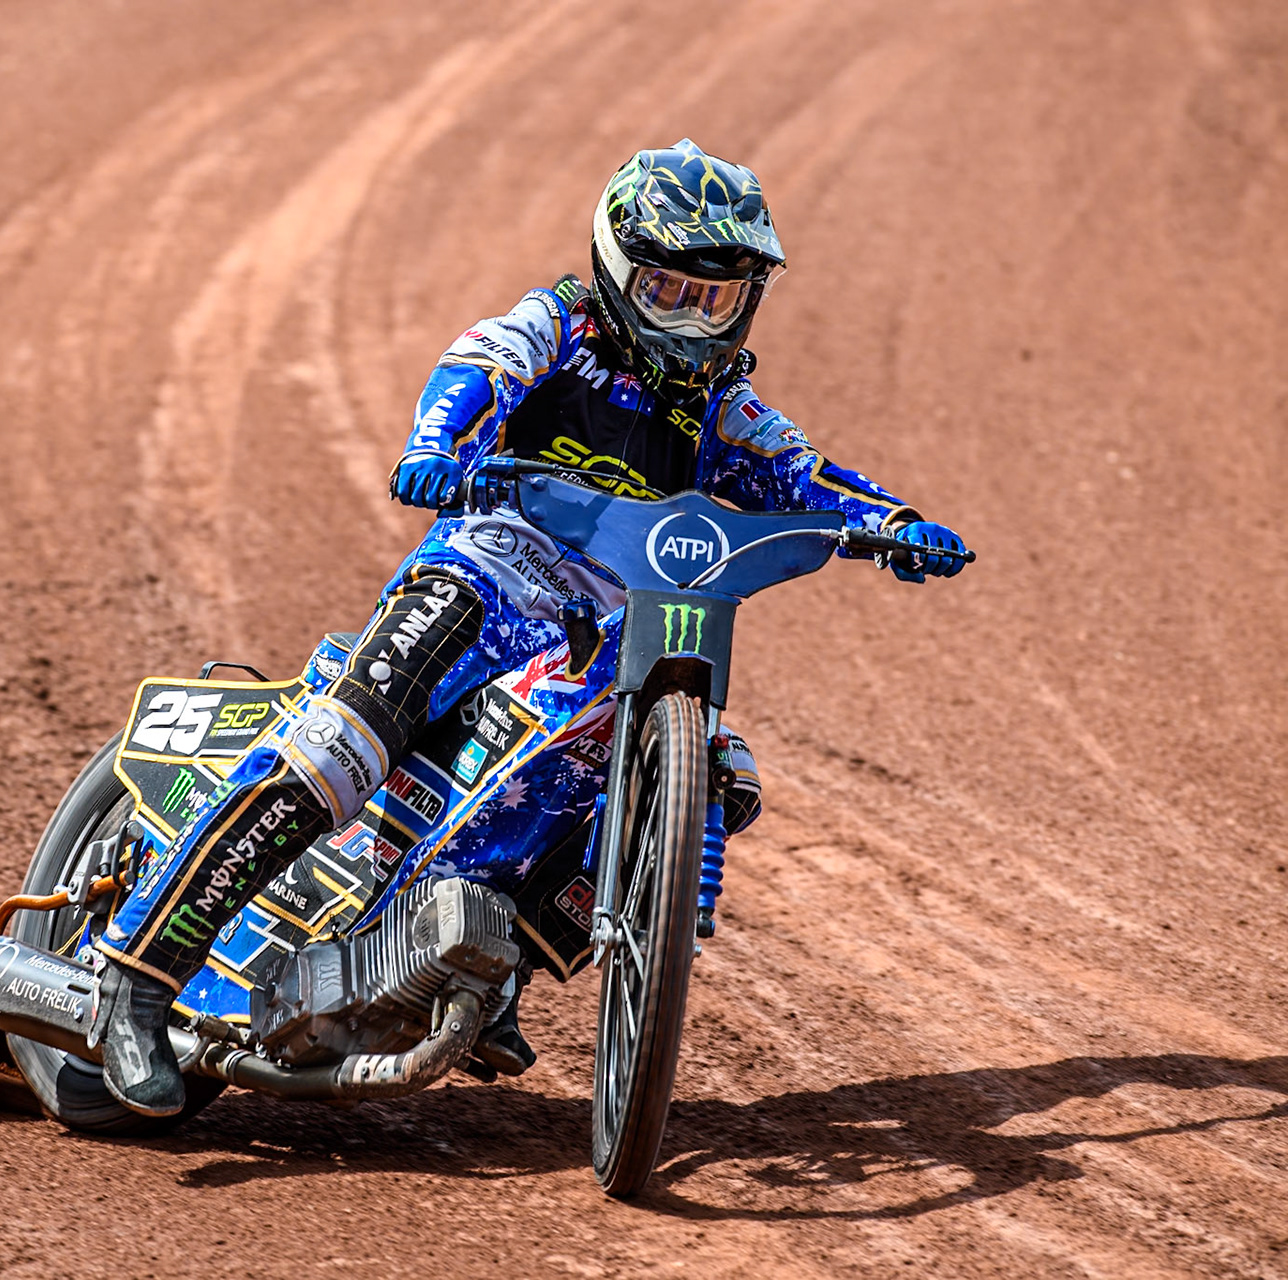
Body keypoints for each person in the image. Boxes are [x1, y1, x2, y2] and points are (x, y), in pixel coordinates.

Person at [89, 139, 969, 1116]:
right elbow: (478, 365)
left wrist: (893, 524)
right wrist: (435, 443)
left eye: (715, 299)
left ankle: (488, 965)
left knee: (705, 781)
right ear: (617, 267)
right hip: (484, 573)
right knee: (346, 738)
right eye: (669, 289)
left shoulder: (725, 407)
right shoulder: (560, 326)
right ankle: (137, 973)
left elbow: (810, 475)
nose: (690, 318)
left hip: (607, 632)